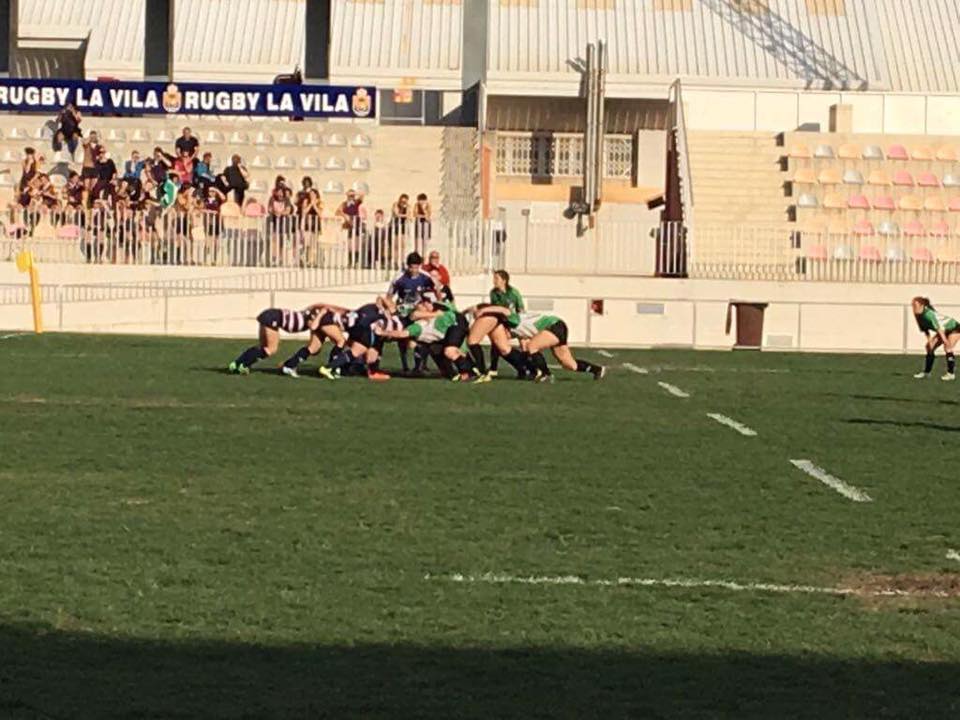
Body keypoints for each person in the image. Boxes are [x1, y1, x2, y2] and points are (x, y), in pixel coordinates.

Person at [376, 297, 476, 381]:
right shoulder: (412, 317)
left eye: (423, 305)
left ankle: (469, 371)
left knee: (450, 351)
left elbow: (404, 333)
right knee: (436, 350)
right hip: (448, 328)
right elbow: (383, 299)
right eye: (421, 305)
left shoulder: (417, 324)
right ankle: (453, 372)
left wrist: (383, 332)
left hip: (455, 323)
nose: (421, 306)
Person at [228, 307, 324, 374]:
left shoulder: (308, 314)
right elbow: (314, 327)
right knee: (271, 348)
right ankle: (243, 365)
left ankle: (237, 363)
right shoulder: (313, 319)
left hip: (270, 314)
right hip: (273, 318)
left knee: (263, 347)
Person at [279, 303, 351, 379]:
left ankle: (289, 365)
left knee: (314, 348)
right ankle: (331, 368)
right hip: (325, 319)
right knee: (341, 341)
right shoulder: (355, 317)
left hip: (322, 318)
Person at [487, 269, 524, 377]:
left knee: (525, 346)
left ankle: (527, 367)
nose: (494, 281)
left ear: (504, 280)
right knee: (497, 343)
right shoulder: (493, 293)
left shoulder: (513, 293)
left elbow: (521, 310)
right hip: (503, 323)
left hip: (516, 323)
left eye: (496, 278)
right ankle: (494, 368)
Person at [912, 296, 959, 381]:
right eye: (913, 305)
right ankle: (927, 373)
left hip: (954, 328)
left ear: (922, 306)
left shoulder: (929, 314)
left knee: (947, 347)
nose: (914, 308)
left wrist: (945, 341)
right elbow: (925, 329)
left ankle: (951, 374)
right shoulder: (918, 315)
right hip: (944, 330)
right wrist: (929, 340)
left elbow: (939, 328)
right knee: (929, 347)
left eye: (916, 305)